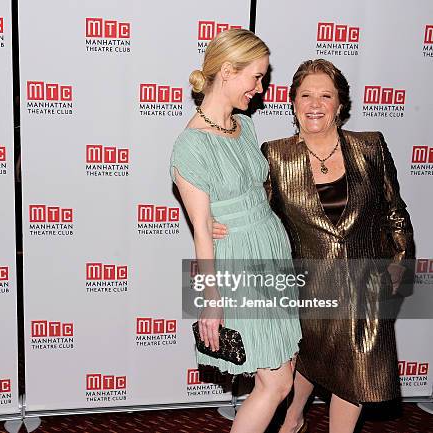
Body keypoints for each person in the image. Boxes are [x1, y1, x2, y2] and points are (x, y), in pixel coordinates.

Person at [213, 59, 415, 433]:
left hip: (365, 286)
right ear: (292, 103)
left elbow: (395, 212)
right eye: (306, 95)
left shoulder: (370, 146)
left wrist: (400, 267)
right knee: (311, 359)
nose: (315, 103)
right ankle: (294, 418)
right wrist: (212, 219)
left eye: (326, 95)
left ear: (341, 104)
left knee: (356, 369)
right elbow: (255, 213)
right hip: (305, 285)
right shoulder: (274, 155)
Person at [170, 29, 302, 433]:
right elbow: (203, 235)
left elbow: (253, 190)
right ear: (227, 71)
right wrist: (212, 300)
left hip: (271, 251)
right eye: (256, 77)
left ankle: (291, 427)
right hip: (240, 263)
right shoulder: (190, 147)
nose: (260, 89)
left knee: (282, 374)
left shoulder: (244, 126)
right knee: (275, 382)